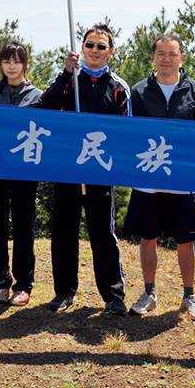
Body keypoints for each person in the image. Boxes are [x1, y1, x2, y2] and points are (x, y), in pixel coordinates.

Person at [38, 23, 130, 317]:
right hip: (67, 168)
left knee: (103, 234)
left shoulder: (118, 88)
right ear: (82, 47)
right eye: (89, 45)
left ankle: (113, 296)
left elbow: (128, 132)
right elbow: (45, 108)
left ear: (111, 51)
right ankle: (64, 292)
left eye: (101, 46)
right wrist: (66, 73)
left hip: (101, 171)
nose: (94, 50)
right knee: (64, 231)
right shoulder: (69, 81)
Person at [125, 33, 195, 322]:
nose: (166, 59)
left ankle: (189, 295)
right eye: (161, 53)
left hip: (183, 180)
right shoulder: (138, 92)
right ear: (153, 56)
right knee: (148, 238)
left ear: (181, 58)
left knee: (186, 240)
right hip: (148, 179)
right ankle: (149, 293)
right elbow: (131, 134)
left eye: (172, 54)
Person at [0, 41, 42, 306]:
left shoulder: (38, 97)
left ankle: (23, 284)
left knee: (23, 226)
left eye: (16, 61)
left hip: (24, 171)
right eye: (6, 61)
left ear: (25, 64)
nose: (11, 66)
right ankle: (0, 283)